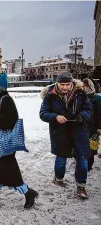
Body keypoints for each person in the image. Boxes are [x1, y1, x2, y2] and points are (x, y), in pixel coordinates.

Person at [0, 72, 38, 209]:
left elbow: (10, 121)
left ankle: (29, 193)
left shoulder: (5, 99)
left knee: (9, 170)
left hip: (2, 143)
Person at [39, 71, 92, 199]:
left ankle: (81, 186)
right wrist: (55, 116)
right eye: (62, 84)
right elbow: (43, 113)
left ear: (71, 83)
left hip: (79, 132)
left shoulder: (81, 93)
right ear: (57, 83)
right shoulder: (50, 95)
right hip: (60, 133)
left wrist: (82, 116)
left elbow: (89, 109)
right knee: (61, 158)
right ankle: (58, 179)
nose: (65, 87)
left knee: (82, 159)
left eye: (67, 84)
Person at [83, 78, 101, 170]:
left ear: (90, 86)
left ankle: (89, 165)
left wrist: (99, 127)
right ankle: (82, 161)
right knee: (82, 144)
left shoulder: (97, 98)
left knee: (92, 146)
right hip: (82, 126)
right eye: (83, 86)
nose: (84, 88)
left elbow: (100, 114)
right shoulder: (81, 96)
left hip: (93, 127)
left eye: (85, 86)